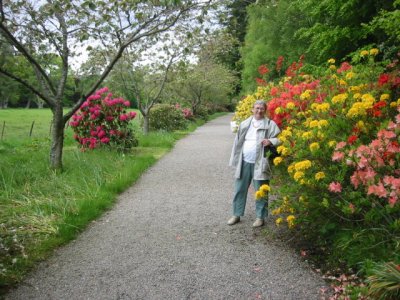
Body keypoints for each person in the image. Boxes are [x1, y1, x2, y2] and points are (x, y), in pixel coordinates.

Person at [228, 100, 281, 227]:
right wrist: (234, 159)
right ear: (252, 109)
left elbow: (279, 139)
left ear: (265, 110)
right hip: (245, 161)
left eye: (261, 108)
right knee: (239, 189)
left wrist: (270, 141)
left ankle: (260, 217)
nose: (259, 110)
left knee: (261, 191)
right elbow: (237, 142)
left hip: (261, 162)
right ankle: (236, 214)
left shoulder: (270, 124)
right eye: (257, 108)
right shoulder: (245, 123)